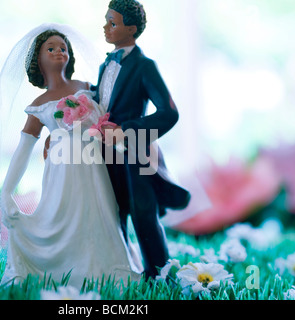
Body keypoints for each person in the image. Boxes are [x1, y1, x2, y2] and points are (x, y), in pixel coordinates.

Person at [0, 25, 142, 288]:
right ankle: (61, 266)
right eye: (50, 49)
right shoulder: (40, 105)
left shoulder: (85, 87)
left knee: (100, 212)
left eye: (63, 48)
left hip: (93, 166)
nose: (58, 52)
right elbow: (23, 148)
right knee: (62, 214)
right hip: (61, 172)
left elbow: (108, 114)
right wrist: (7, 191)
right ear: (37, 61)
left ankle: (107, 267)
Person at [93, 0, 191, 279]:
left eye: (113, 23)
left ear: (131, 29)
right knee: (112, 210)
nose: (106, 27)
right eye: (106, 20)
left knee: (142, 212)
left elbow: (169, 113)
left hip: (136, 153)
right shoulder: (106, 65)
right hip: (104, 152)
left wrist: (127, 129)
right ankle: (121, 267)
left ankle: (159, 272)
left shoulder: (144, 66)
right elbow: (102, 101)